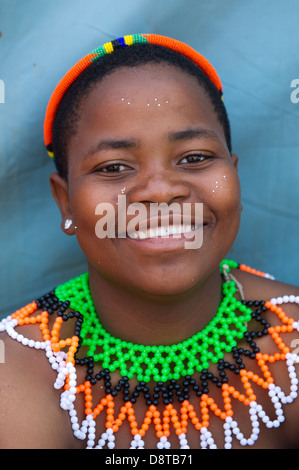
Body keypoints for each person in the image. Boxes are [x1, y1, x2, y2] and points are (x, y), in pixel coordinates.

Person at [0, 33, 299, 450]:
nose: (160, 191)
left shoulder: (292, 343)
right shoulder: (15, 374)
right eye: (114, 167)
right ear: (65, 201)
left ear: (234, 176)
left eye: (195, 158)